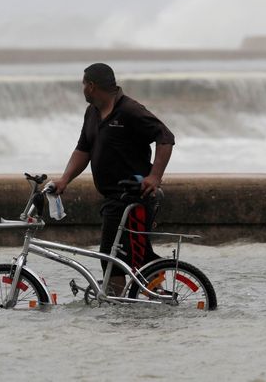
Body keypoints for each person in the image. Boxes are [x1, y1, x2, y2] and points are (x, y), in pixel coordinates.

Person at [53, 63, 175, 293]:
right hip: (112, 198)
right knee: (111, 256)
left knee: (134, 257)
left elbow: (165, 137)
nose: (82, 90)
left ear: (91, 86)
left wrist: (155, 176)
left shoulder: (130, 110)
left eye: (83, 85)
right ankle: (119, 302)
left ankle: (158, 300)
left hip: (134, 196)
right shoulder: (92, 113)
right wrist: (64, 179)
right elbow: (83, 150)